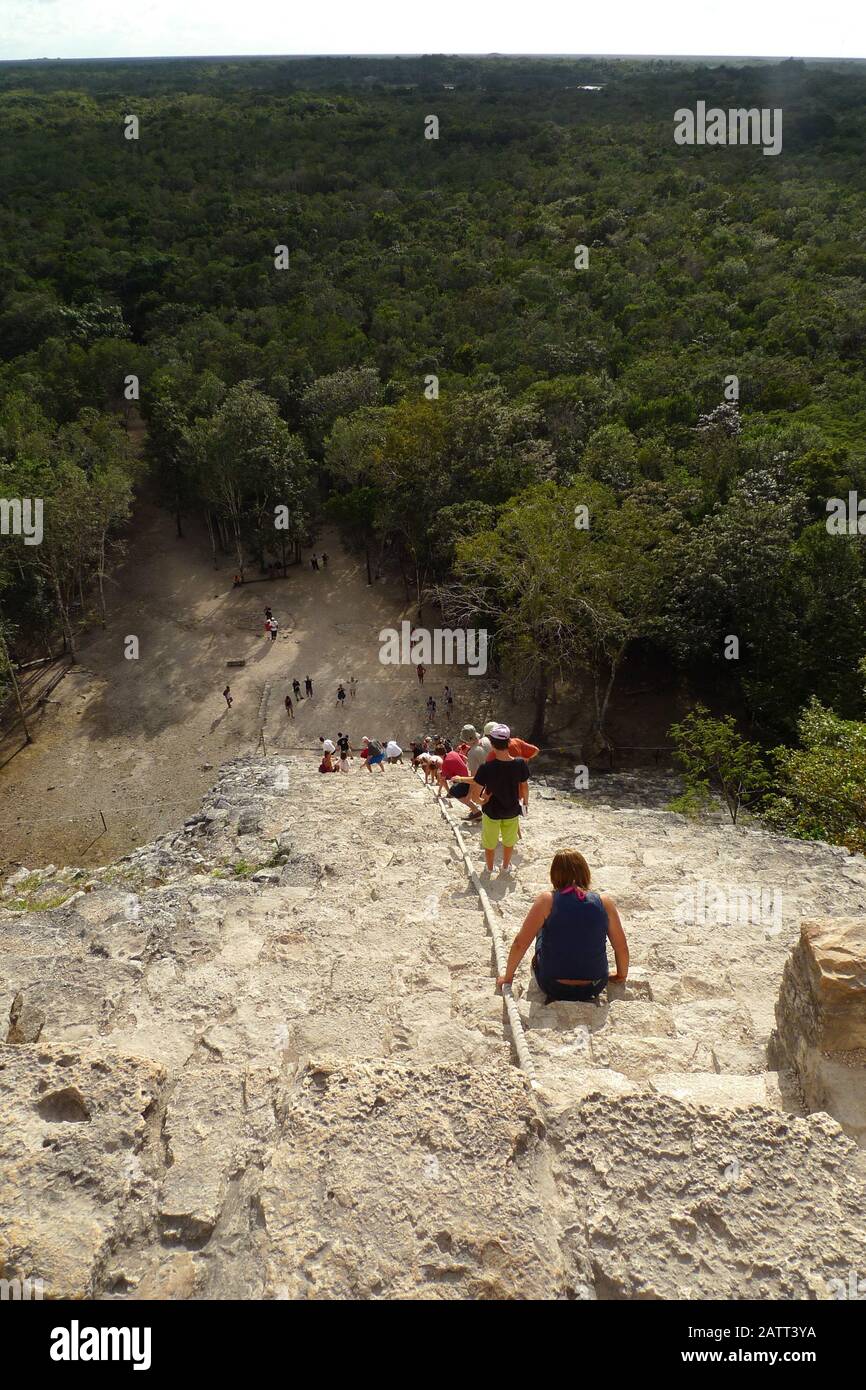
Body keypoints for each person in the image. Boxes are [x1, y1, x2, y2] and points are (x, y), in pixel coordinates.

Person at [496, 850, 629, 1003]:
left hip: (553, 985)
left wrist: (507, 978)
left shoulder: (547, 900)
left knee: (541, 928)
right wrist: (621, 975)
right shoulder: (605, 903)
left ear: (554, 874)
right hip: (594, 985)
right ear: (585, 873)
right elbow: (621, 947)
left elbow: (520, 943)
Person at [468, 723, 529, 875]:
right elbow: (525, 786)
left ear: (492, 743)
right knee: (509, 842)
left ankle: (489, 868)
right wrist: (525, 803)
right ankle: (506, 866)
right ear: (509, 742)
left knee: (490, 843)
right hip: (512, 811)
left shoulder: (486, 767)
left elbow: (475, 794)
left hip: (491, 811)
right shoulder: (520, 763)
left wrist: (483, 800)